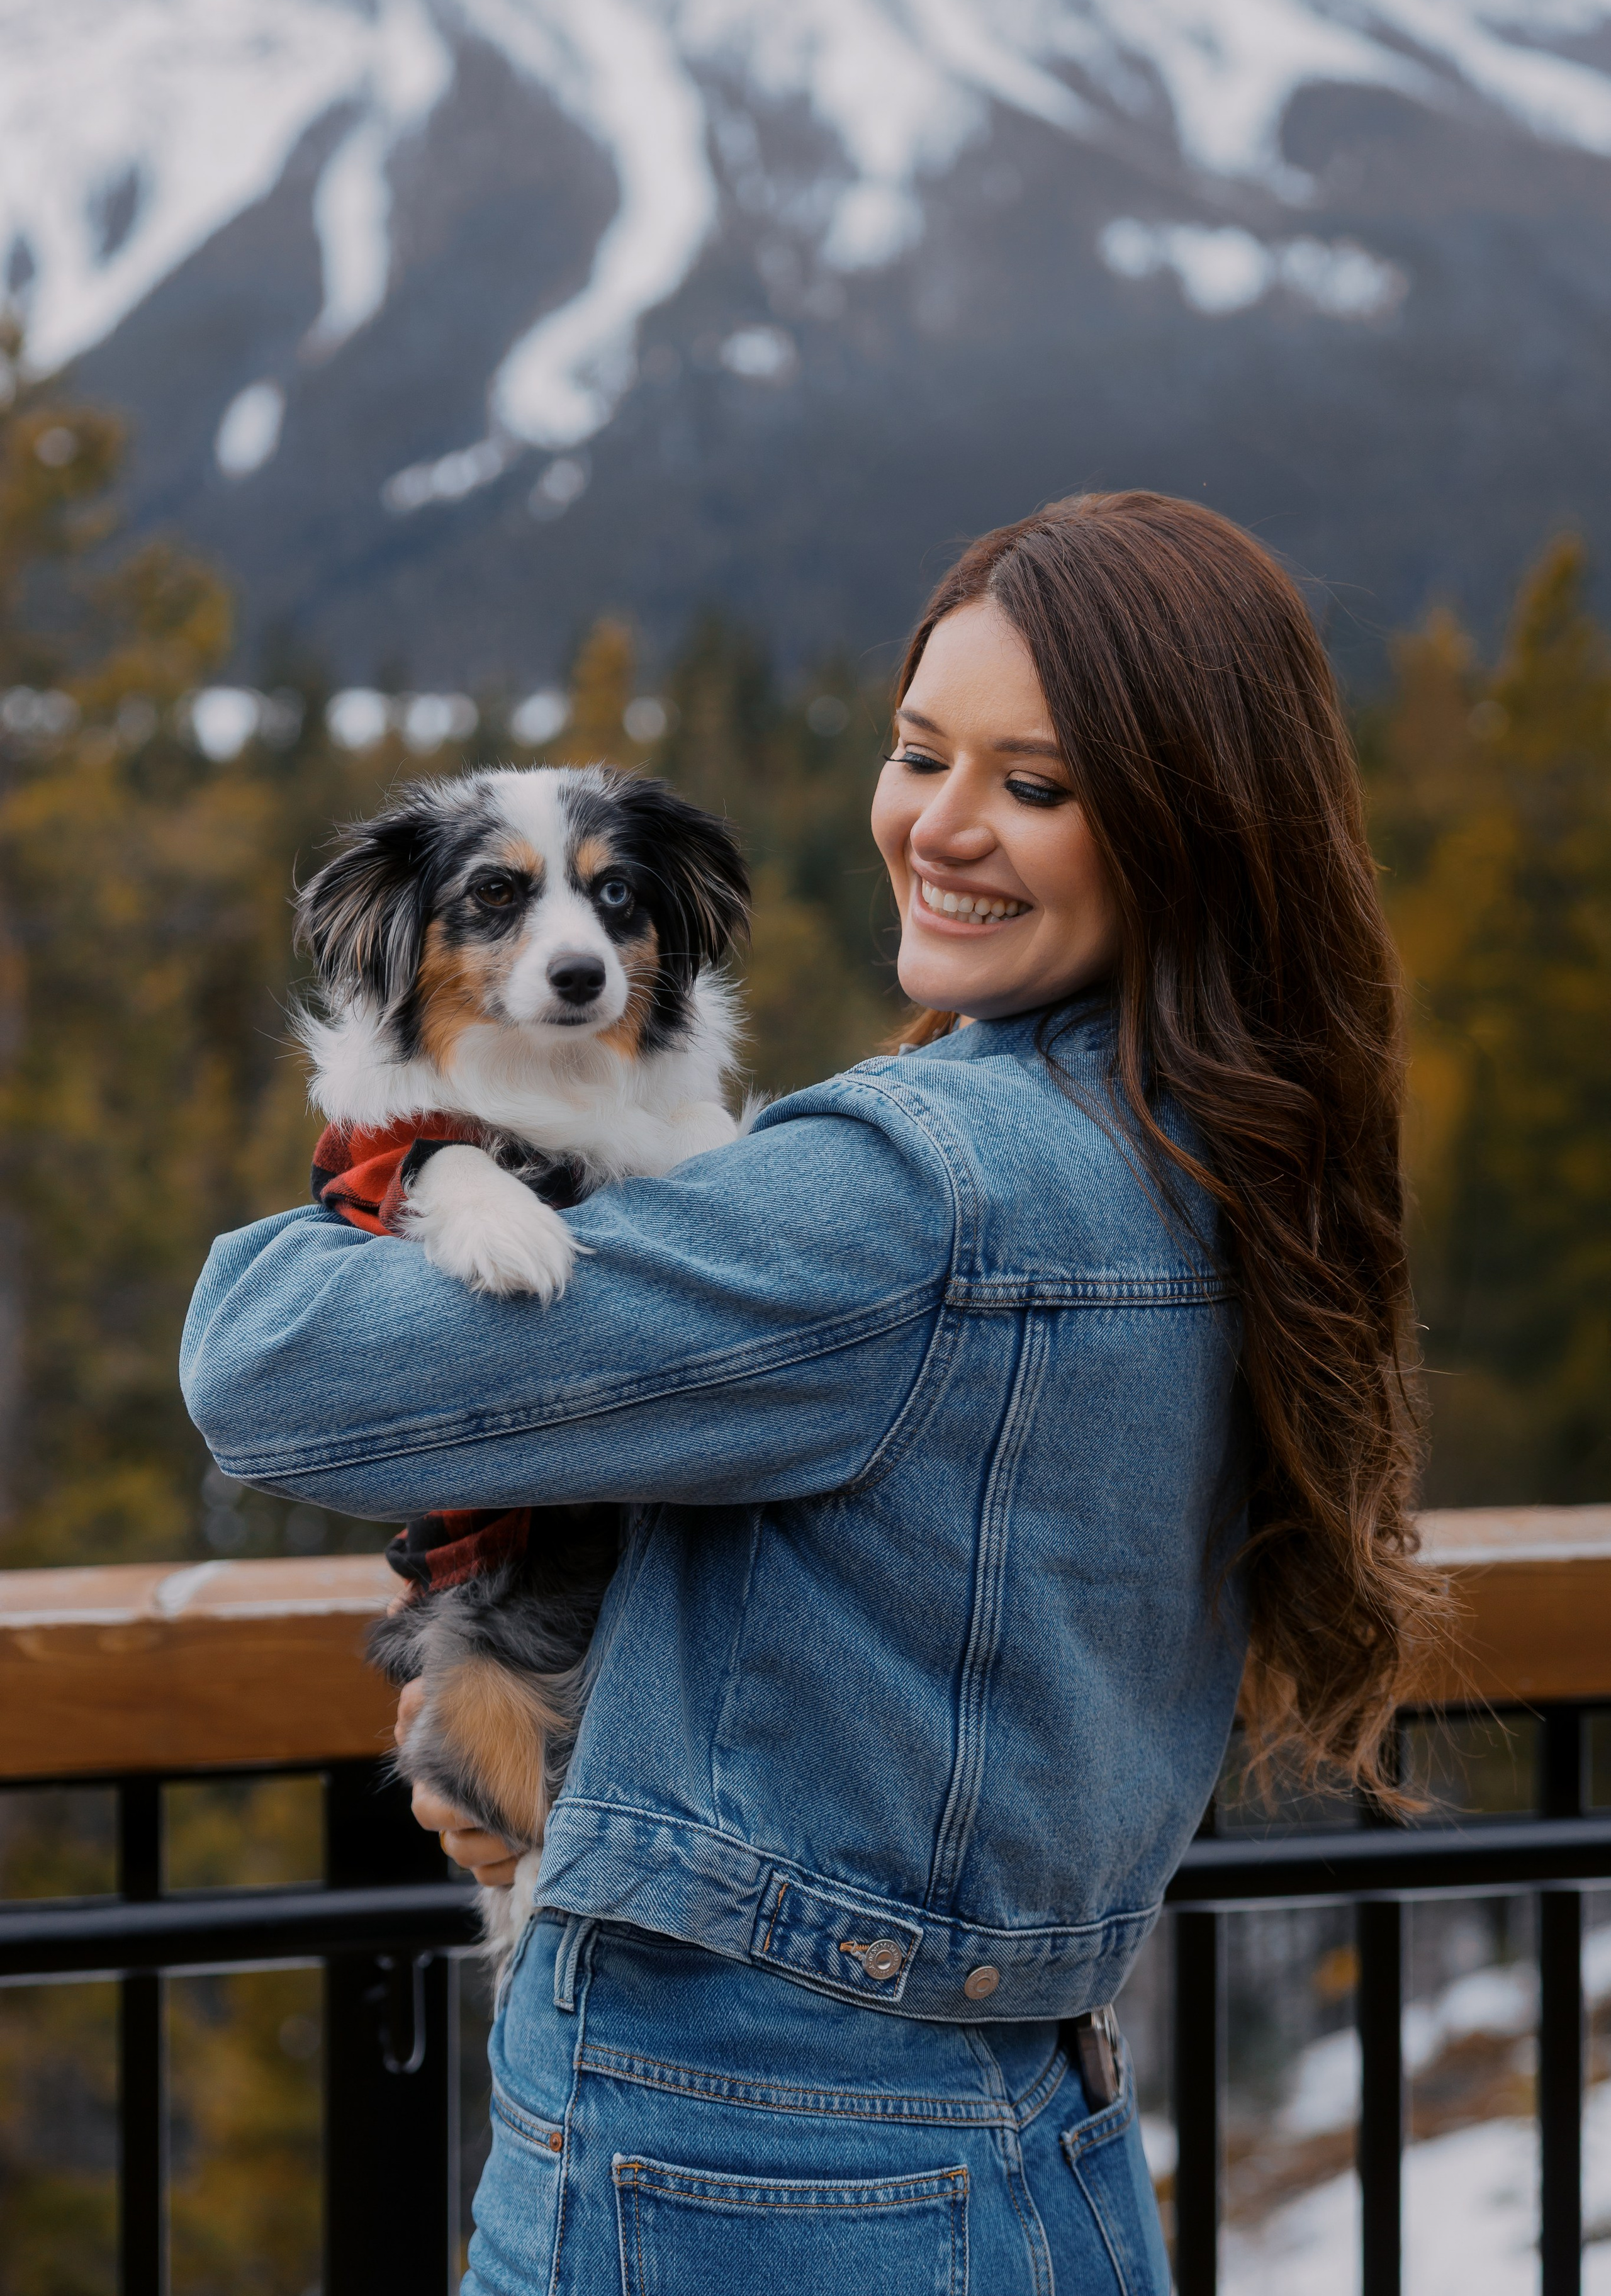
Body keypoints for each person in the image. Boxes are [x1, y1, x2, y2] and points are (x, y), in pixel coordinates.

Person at [182, 492, 1435, 2294]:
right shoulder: (1210, 1153)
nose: (942, 823)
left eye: (1041, 784)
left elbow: (269, 1371)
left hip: (737, 2167)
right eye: (922, 751)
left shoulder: (906, 1195)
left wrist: (382, 1180)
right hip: (1030, 2134)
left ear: (1186, 826)